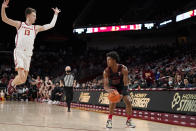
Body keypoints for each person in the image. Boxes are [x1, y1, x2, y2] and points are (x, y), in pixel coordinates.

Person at [1, 0, 61, 94]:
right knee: (20, 76)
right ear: (28, 15)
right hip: (19, 52)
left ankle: (12, 83)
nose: (35, 18)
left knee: (23, 80)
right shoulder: (20, 24)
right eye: (34, 15)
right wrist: (3, 7)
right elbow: (5, 19)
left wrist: (56, 14)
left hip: (28, 55)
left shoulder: (35, 28)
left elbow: (51, 25)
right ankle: (12, 84)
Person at [103, 51, 135, 128]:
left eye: (109, 60)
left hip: (122, 86)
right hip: (113, 87)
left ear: (114, 60)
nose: (107, 62)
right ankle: (109, 121)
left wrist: (121, 94)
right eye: (107, 60)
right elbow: (106, 86)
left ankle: (129, 121)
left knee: (128, 101)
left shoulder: (123, 68)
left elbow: (126, 84)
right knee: (112, 102)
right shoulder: (106, 71)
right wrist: (109, 90)